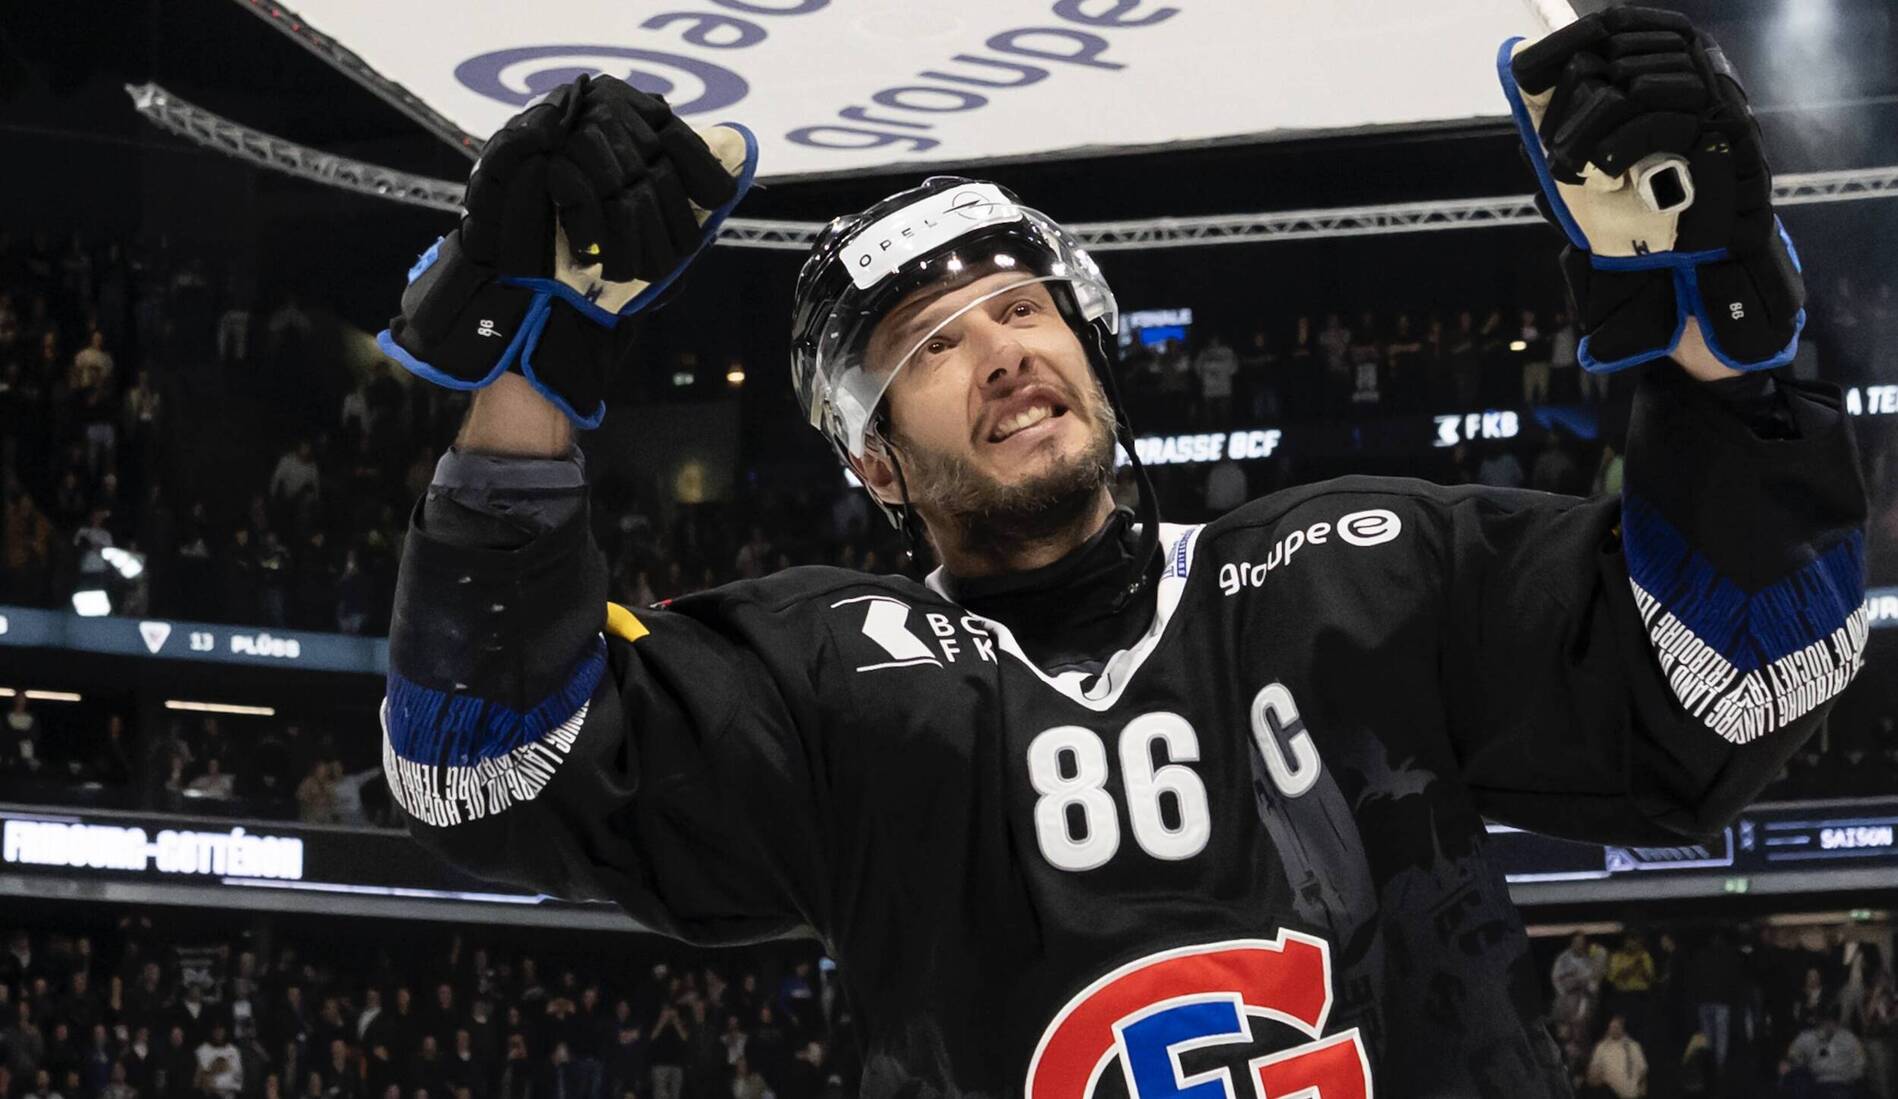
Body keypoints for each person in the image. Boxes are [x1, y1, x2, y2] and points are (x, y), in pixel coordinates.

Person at [378, 19, 1863, 1096]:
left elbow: (1739, 685)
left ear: (1094, 356)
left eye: (1025, 311)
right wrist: (530, 364)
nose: (1002, 353)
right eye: (928, 348)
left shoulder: (1358, 566)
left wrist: (1709, 329)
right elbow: (485, 771)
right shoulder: (826, 674)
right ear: (874, 462)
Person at [1584, 1015, 1647, 1099]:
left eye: (1616, 1026)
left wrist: (1642, 1093)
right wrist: (1594, 1078)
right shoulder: (1601, 1047)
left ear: (1622, 1028)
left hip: (1633, 1095)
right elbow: (1592, 1075)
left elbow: (1642, 1071)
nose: (1613, 1029)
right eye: (1611, 1027)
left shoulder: (1634, 1046)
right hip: (1610, 1094)